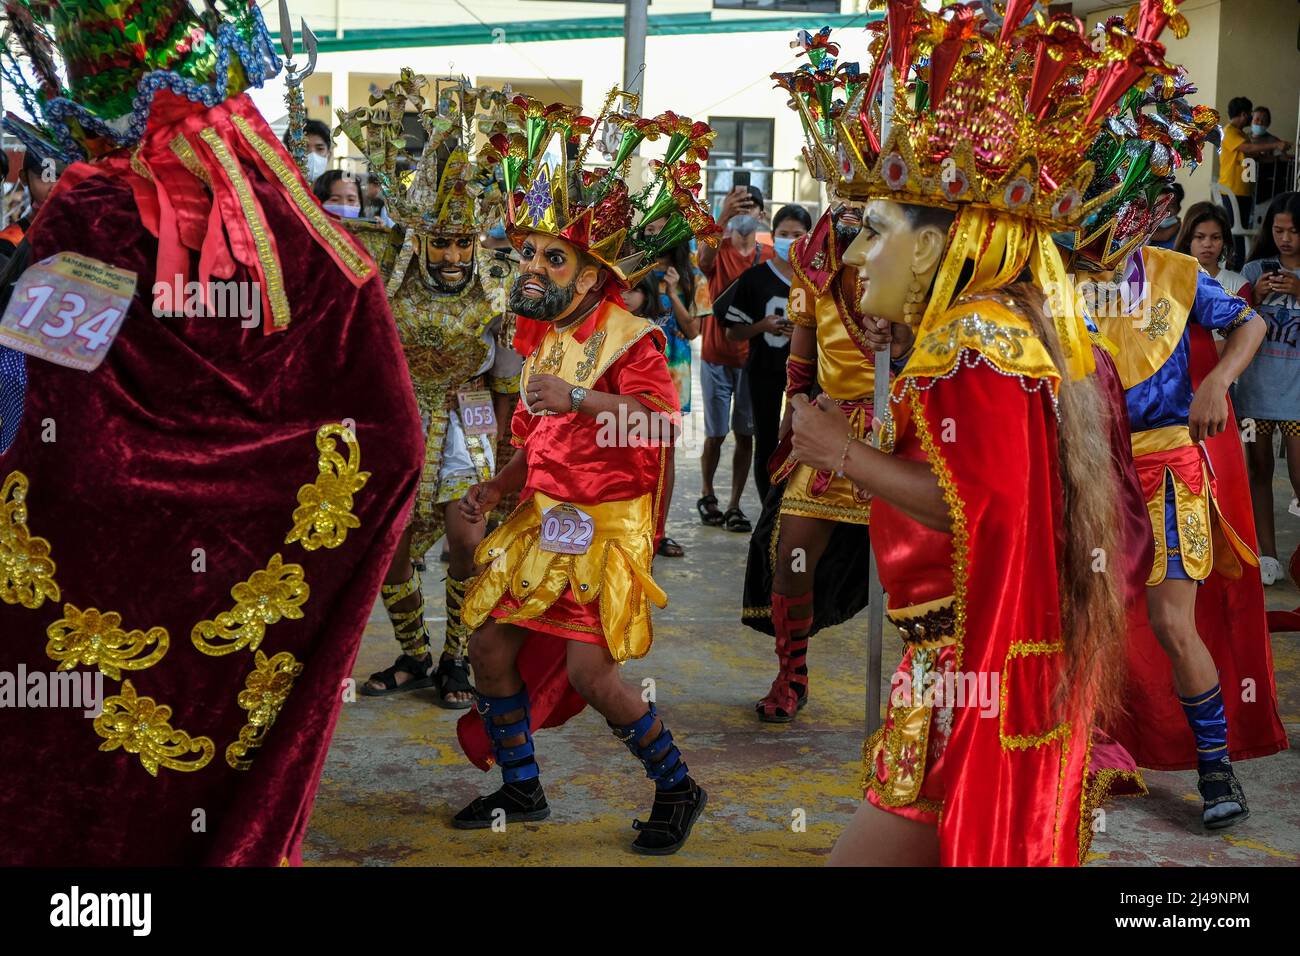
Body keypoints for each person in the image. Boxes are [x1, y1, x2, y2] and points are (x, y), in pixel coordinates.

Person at [0, 0, 423, 864]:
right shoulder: (296, 224)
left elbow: (29, 405)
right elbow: (390, 431)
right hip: (241, 578)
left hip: (95, 562)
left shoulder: (85, 212)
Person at [810, 2, 1223, 866]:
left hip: (967, 670)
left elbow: (990, 511)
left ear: (930, 251)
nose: (854, 256)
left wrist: (837, 453)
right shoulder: (1006, 329)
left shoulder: (974, 345)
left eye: (874, 233)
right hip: (965, 667)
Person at [451, 91, 717, 854]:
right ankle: (522, 786)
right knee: (490, 648)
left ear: (595, 272)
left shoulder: (633, 340)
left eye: (551, 257)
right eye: (528, 254)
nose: (532, 267)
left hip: (606, 524)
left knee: (593, 675)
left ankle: (678, 786)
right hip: (543, 516)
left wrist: (581, 396)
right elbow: (535, 438)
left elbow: (661, 424)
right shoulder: (545, 334)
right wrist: (495, 489)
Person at [335, 71, 519, 706]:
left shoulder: (501, 282)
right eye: (439, 242)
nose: (450, 257)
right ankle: (414, 653)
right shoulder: (387, 276)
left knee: (468, 543)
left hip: (468, 421)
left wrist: (500, 433)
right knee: (386, 547)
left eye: (461, 242)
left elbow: (506, 374)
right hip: (398, 418)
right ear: (419, 239)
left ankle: (457, 659)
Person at [720, 203, 812, 503]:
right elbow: (733, 332)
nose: (790, 240)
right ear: (773, 236)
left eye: (797, 234)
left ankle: (795, 505)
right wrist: (762, 326)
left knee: (804, 442)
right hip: (764, 371)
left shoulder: (818, 281)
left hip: (809, 376)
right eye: (783, 234)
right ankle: (768, 509)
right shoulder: (755, 278)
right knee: (767, 441)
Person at [697, 185, 774, 528]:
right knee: (715, 434)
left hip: (752, 359)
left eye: (750, 207)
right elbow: (702, 261)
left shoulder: (771, 254)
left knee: (746, 434)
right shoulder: (719, 248)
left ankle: (733, 505)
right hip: (715, 355)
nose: (744, 213)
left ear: (761, 213)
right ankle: (707, 493)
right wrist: (723, 214)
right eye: (737, 207)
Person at [1237, 192, 1300, 586]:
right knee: (1258, 472)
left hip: (1295, 396)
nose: (1286, 239)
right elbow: (1232, 325)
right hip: (1255, 392)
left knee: (1299, 477)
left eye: (1294, 231)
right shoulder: (1252, 269)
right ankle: (1267, 555)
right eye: (1278, 230)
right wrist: (1254, 296)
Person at [645, 216, 711, 556]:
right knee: (628, 452)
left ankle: (658, 532)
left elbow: (694, 330)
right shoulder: (632, 272)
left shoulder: (693, 278)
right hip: (632, 373)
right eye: (649, 229)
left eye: (659, 229)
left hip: (672, 374)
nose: (651, 234)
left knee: (663, 457)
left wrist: (672, 291)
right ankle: (633, 529)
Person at [1218, 96, 1284, 264]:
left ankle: (1240, 262)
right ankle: (1236, 265)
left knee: (1241, 230)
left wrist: (1283, 158)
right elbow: (1248, 148)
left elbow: (1255, 157)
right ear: (1243, 114)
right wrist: (1275, 145)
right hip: (1233, 190)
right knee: (1236, 231)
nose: (1251, 118)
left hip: (1245, 191)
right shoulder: (1229, 132)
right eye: (1250, 114)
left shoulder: (1240, 134)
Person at [1175, 201, 1250, 296]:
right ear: (1187, 240)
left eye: (1215, 237)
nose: (1207, 244)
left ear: (1224, 241)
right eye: (1199, 237)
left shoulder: (1238, 285)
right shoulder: (1170, 280)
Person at [0, 147, 65, 257]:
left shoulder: (89, 235)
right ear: (24, 177)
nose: (55, 187)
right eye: (46, 177)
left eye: (66, 177)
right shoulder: (9, 243)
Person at [283, 116, 332, 184]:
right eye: (303, 149)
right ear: (289, 155)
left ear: (329, 155)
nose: (313, 154)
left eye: (320, 149)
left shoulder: (338, 191)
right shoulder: (277, 192)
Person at [1147, 183, 1183, 249]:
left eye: (1171, 205)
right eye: (1161, 205)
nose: (1165, 210)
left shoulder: (1184, 233)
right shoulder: (1143, 229)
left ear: (1178, 208)